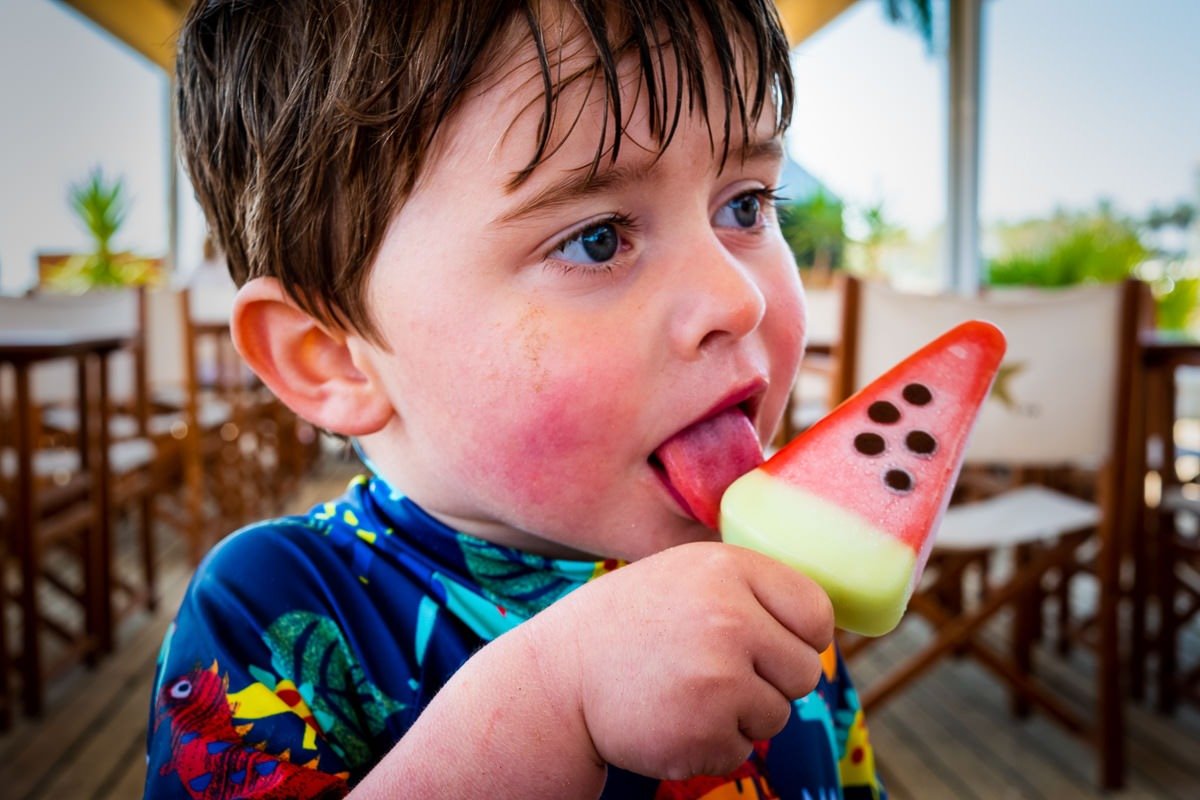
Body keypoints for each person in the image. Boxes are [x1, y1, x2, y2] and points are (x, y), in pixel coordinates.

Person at [145, 1, 887, 797]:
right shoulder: (274, 608)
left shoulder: (780, 576)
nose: (736, 299)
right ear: (335, 357)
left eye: (746, 205)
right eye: (597, 238)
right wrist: (549, 704)